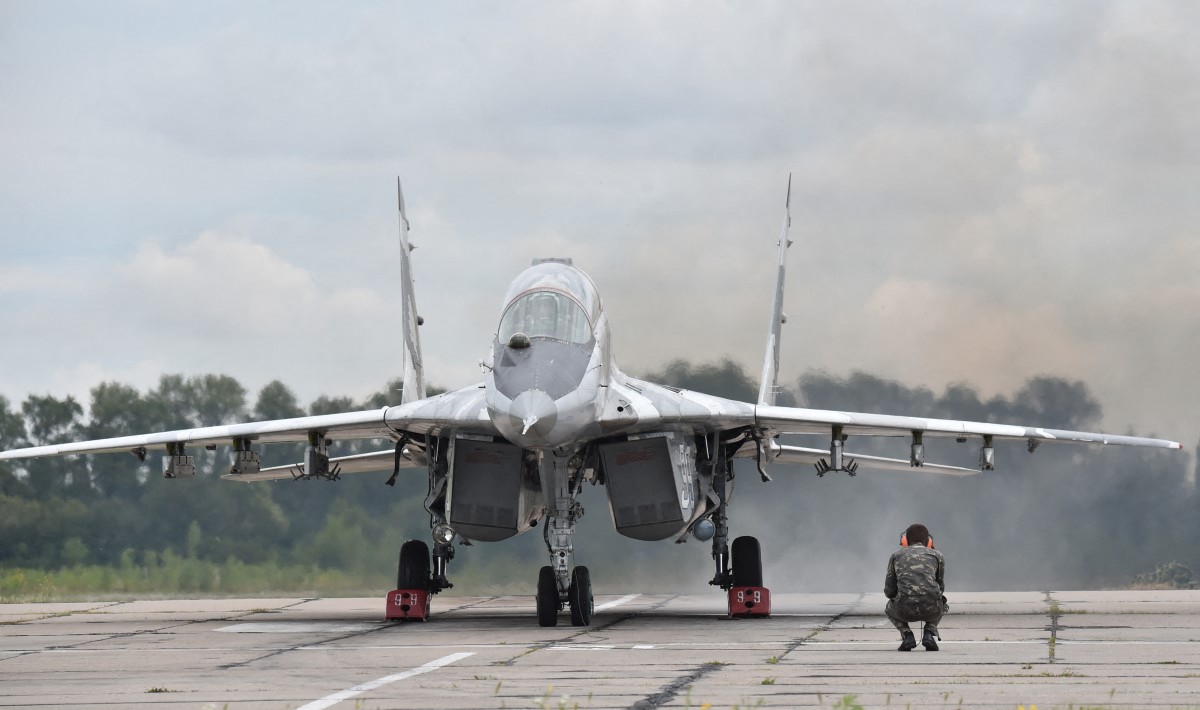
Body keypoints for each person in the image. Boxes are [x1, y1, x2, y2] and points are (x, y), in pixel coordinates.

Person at [884, 523, 947, 651]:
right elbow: (940, 587)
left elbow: (889, 590)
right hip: (931, 609)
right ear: (929, 541)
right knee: (943, 603)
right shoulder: (937, 555)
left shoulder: (896, 556)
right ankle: (929, 633)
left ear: (905, 540)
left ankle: (907, 635)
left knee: (888, 607)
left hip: (904, 610)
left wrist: (900, 596)